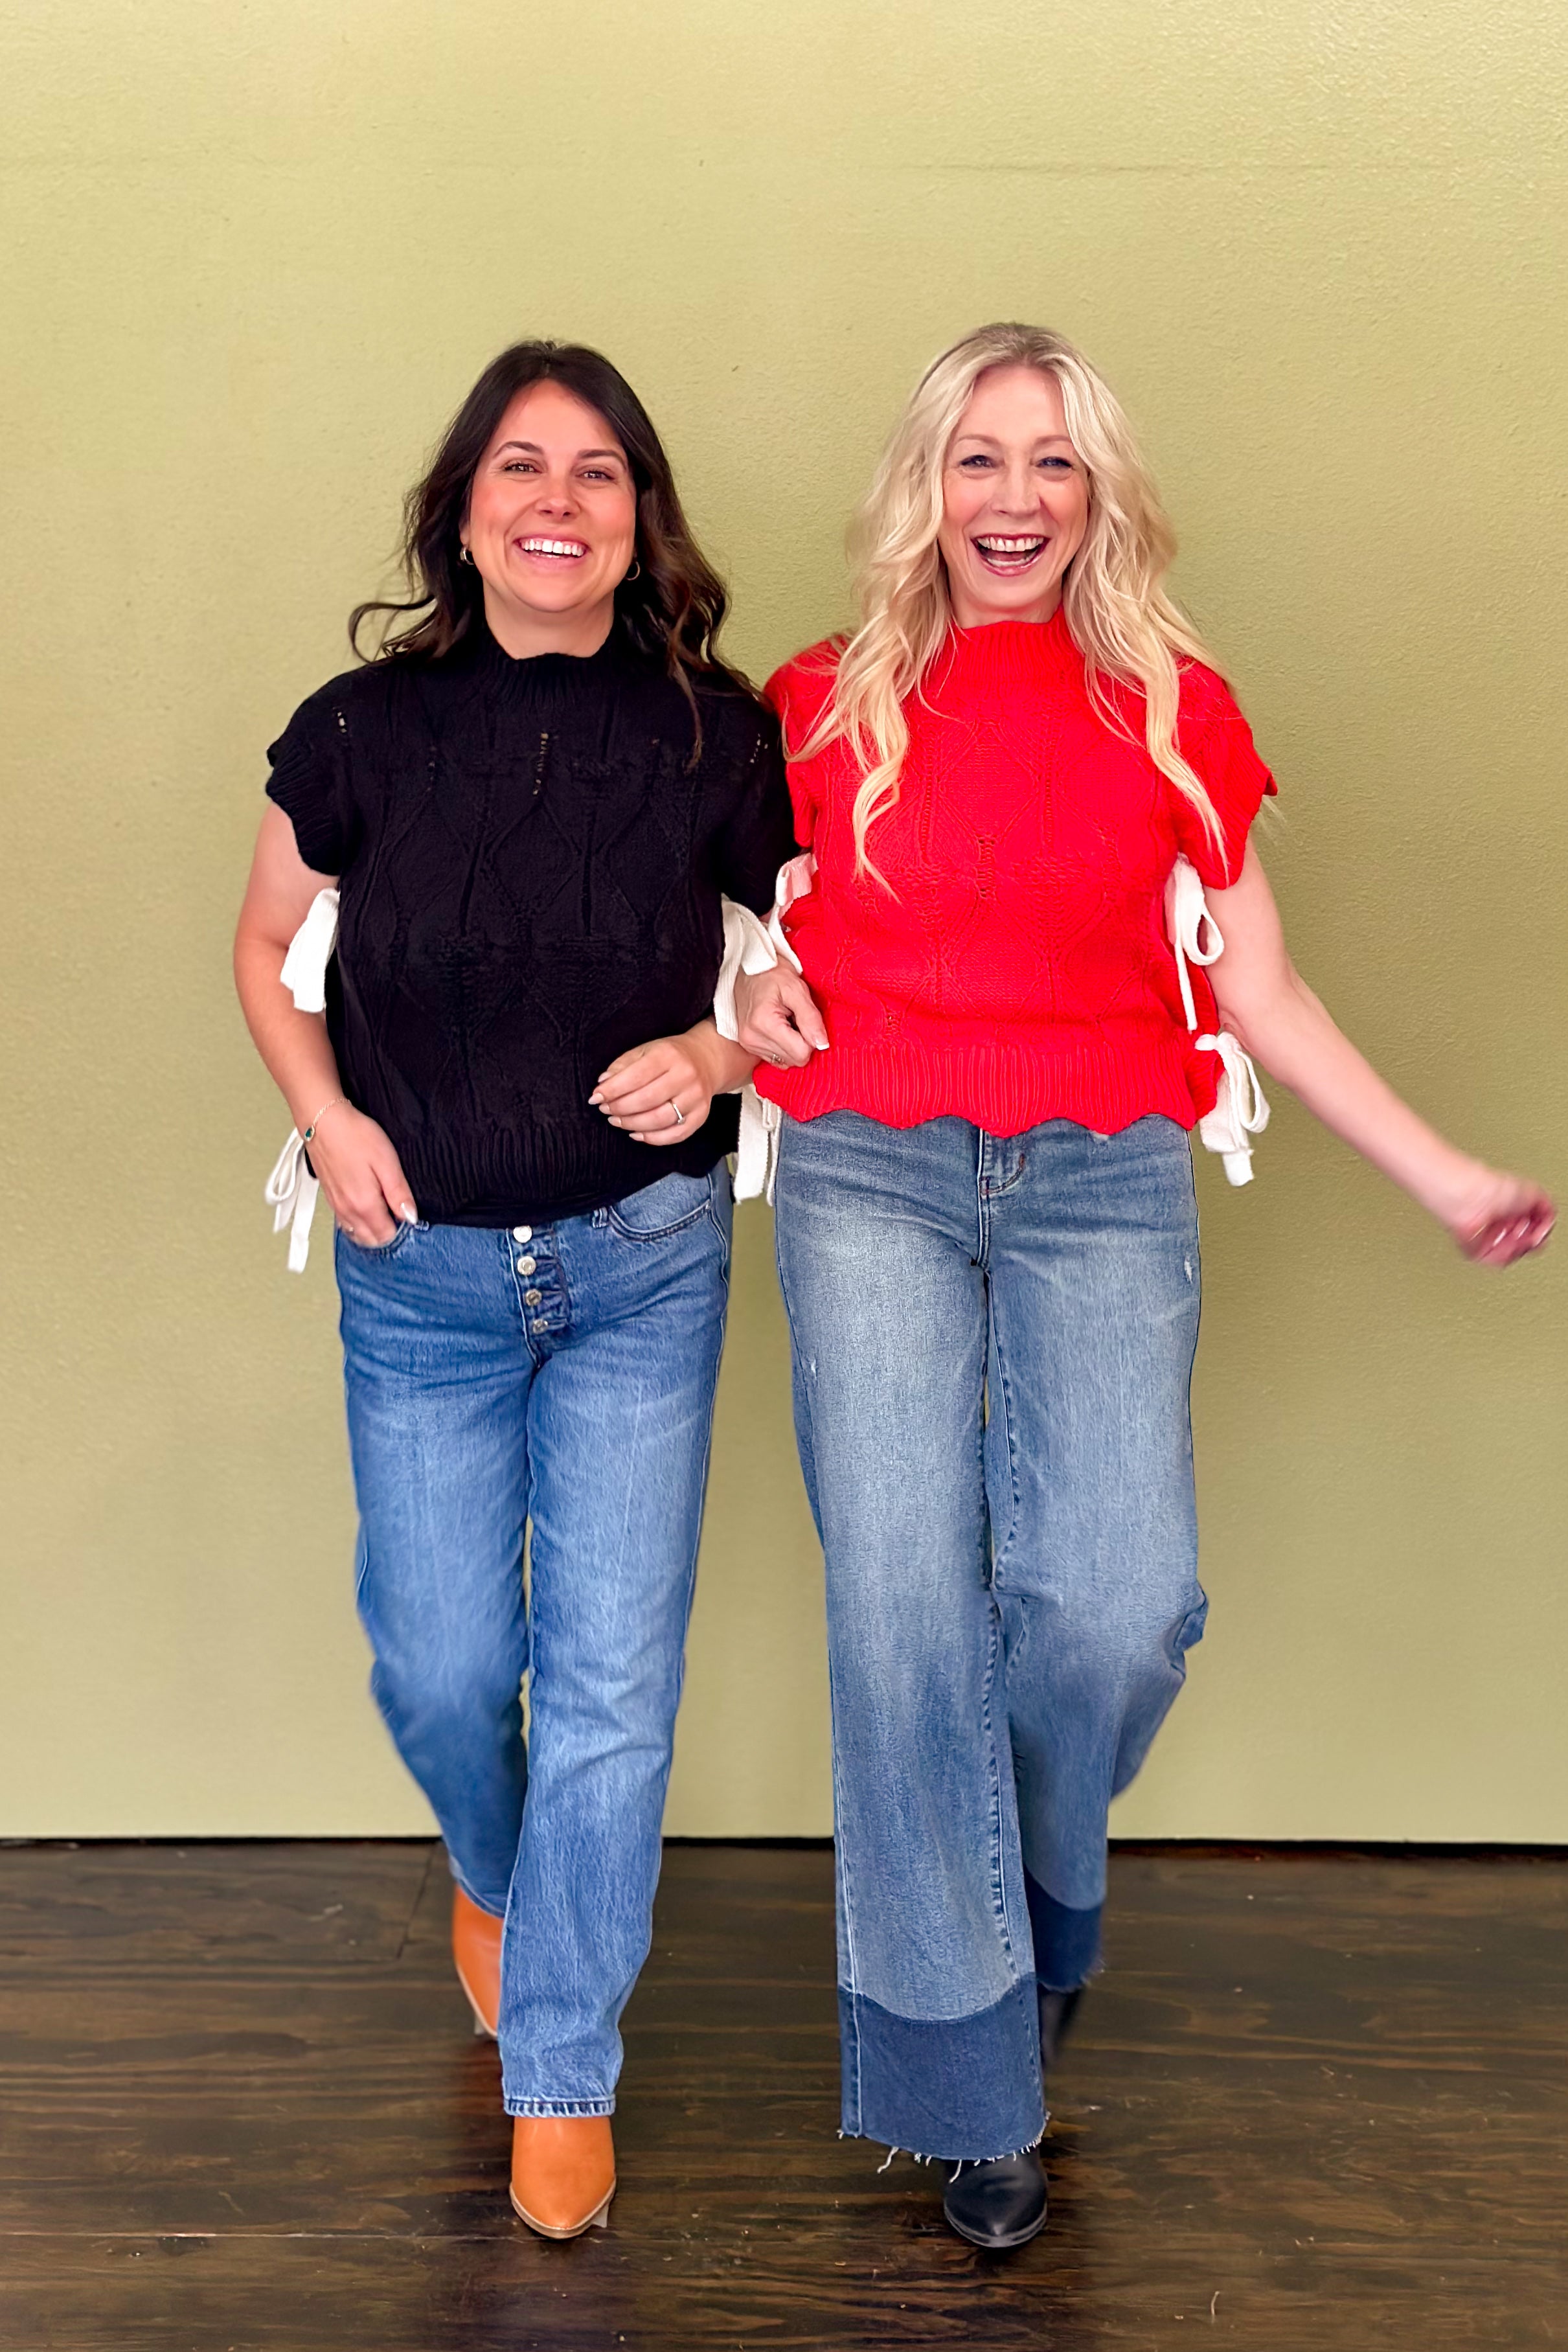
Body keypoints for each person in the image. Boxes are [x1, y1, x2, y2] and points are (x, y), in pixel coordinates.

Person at [731, 322, 1554, 2252]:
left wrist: (1443, 1174)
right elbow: (722, 921)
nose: (1015, 499)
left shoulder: (1178, 708)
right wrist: (734, 983)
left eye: (1055, 463)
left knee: (1113, 1611)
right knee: (904, 1616)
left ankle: (1043, 1898)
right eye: (979, 459)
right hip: (867, 1162)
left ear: (1100, 496)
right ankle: (971, 2080)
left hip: (1104, 1169)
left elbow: (1259, 987)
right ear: (926, 489)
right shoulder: (814, 701)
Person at [234, 340, 795, 2238]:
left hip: (645, 1264)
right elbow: (264, 943)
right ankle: (494, 1874)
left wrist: (713, 1059)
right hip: (420, 1276)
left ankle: (562, 2070)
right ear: (464, 513)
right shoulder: (356, 731)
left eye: (600, 472)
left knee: (615, 1687)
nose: (560, 501)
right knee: (447, 1665)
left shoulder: (720, 738)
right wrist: (327, 1119)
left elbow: (809, 970)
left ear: (641, 521)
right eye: (522, 468)